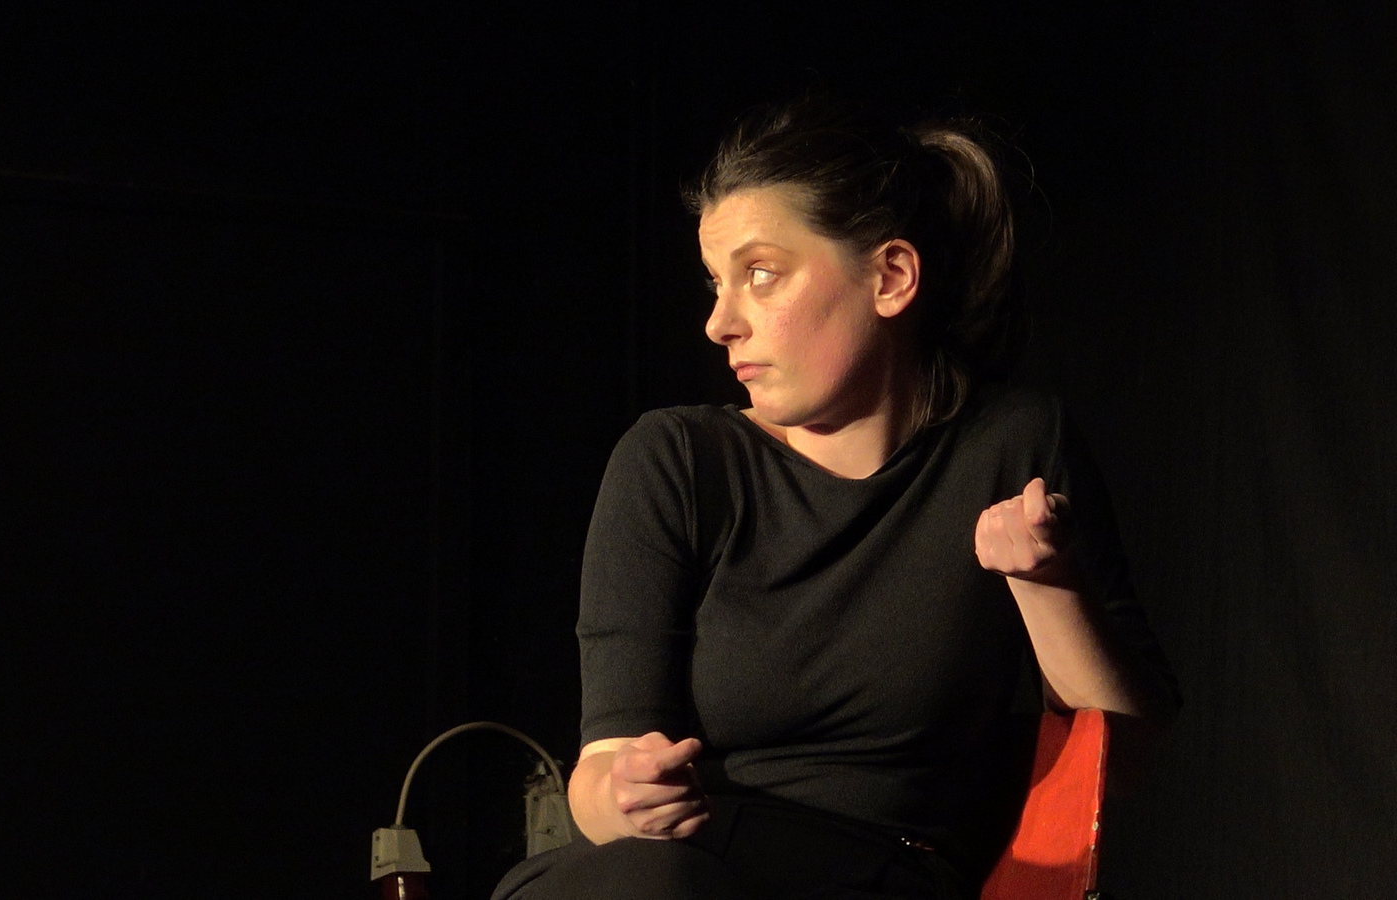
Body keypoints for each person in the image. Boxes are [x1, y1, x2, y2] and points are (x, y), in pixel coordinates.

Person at [493, 92, 1179, 900]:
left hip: (884, 871)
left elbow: (1121, 765)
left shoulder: (1013, 446)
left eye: (760, 274)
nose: (719, 322)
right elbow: (601, 768)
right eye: (716, 282)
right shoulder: (676, 459)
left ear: (890, 277)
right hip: (681, 867)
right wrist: (623, 796)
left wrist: (1045, 582)